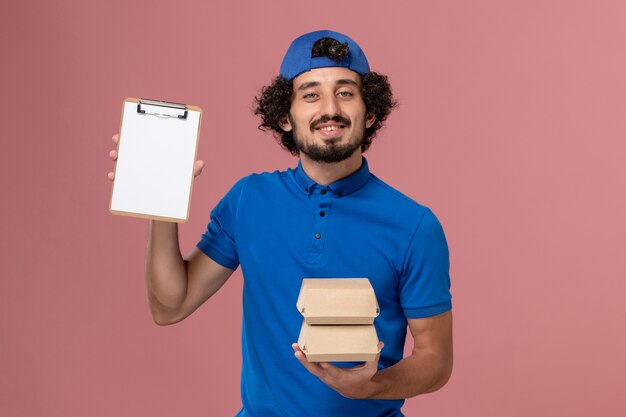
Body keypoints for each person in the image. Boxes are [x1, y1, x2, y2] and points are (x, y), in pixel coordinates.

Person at [108, 30, 453, 417]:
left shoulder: (414, 225)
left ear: (369, 112)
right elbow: (170, 306)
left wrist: (372, 386)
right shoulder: (249, 201)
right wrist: (161, 201)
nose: (330, 108)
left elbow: (436, 359)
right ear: (284, 118)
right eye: (310, 94)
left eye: (345, 92)